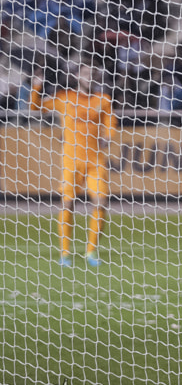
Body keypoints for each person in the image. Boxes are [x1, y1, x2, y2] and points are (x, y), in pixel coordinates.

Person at [30, 57, 116, 267]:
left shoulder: (103, 100)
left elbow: (111, 125)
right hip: (71, 160)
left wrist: (107, 137)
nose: (89, 76)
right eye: (86, 73)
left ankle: (91, 252)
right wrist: (36, 87)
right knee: (68, 204)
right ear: (77, 76)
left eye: (93, 73)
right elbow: (35, 108)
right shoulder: (64, 97)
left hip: (96, 160)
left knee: (101, 203)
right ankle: (65, 253)